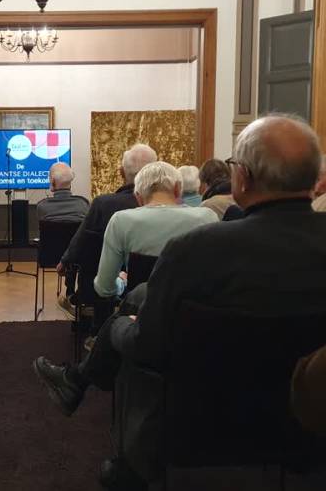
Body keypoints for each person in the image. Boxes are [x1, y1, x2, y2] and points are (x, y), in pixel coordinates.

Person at [33, 114, 326, 490]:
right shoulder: (205, 234)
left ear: (243, 178)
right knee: (141, 298)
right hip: (308, 419)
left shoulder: (196, 249)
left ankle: (129, 460)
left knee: (130, 322)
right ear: (315, 181)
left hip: (205, 419)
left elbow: (148, 344)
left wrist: (120, 326)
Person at [56, 144, 158, 317]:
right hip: (155, 290)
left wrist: (65, 262)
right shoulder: (170, 210)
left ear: (121, 172)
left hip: (103, 291)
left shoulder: (102, 205)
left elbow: (81, 243)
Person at [94, 162, 218, 299]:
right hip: (195, 308)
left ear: (138, 197)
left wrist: (121, 283)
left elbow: (104, 288)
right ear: (177, 189)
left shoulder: (121, 221)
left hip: (142, 308)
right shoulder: (207, 217)